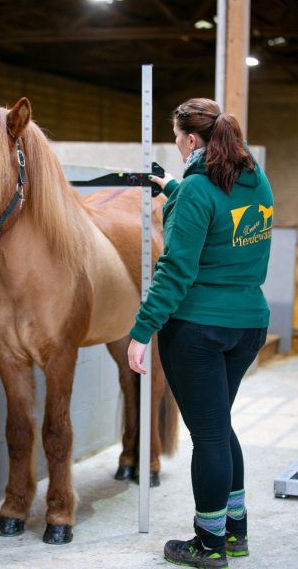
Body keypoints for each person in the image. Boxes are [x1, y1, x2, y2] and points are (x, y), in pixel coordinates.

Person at [128, 97, 273, 569]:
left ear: (191, 140)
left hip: (198, 330)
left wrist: (141, 329)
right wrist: (172, 186)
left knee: (208, 436)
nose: (175, 145)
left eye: (176, 138)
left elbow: (175, 270)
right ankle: (236, 533)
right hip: (248, 324)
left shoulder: (197, 190)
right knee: (219, 426)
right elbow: (219, 213)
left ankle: (208, 545)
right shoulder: (254, 179)